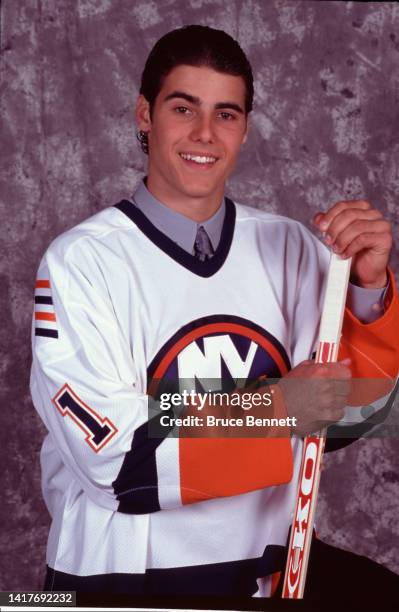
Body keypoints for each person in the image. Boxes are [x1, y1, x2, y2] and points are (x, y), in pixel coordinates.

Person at [31, 25, 399, 605]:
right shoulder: (82, 262)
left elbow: (351, 418)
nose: (205, 133)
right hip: (121, 587)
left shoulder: (294, 247)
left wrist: (366, 292)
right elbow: (121, 464)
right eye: (184, 107)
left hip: (268, 572)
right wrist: (275, 408)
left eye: (226, 114)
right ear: (145, 114)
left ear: (245, 129)